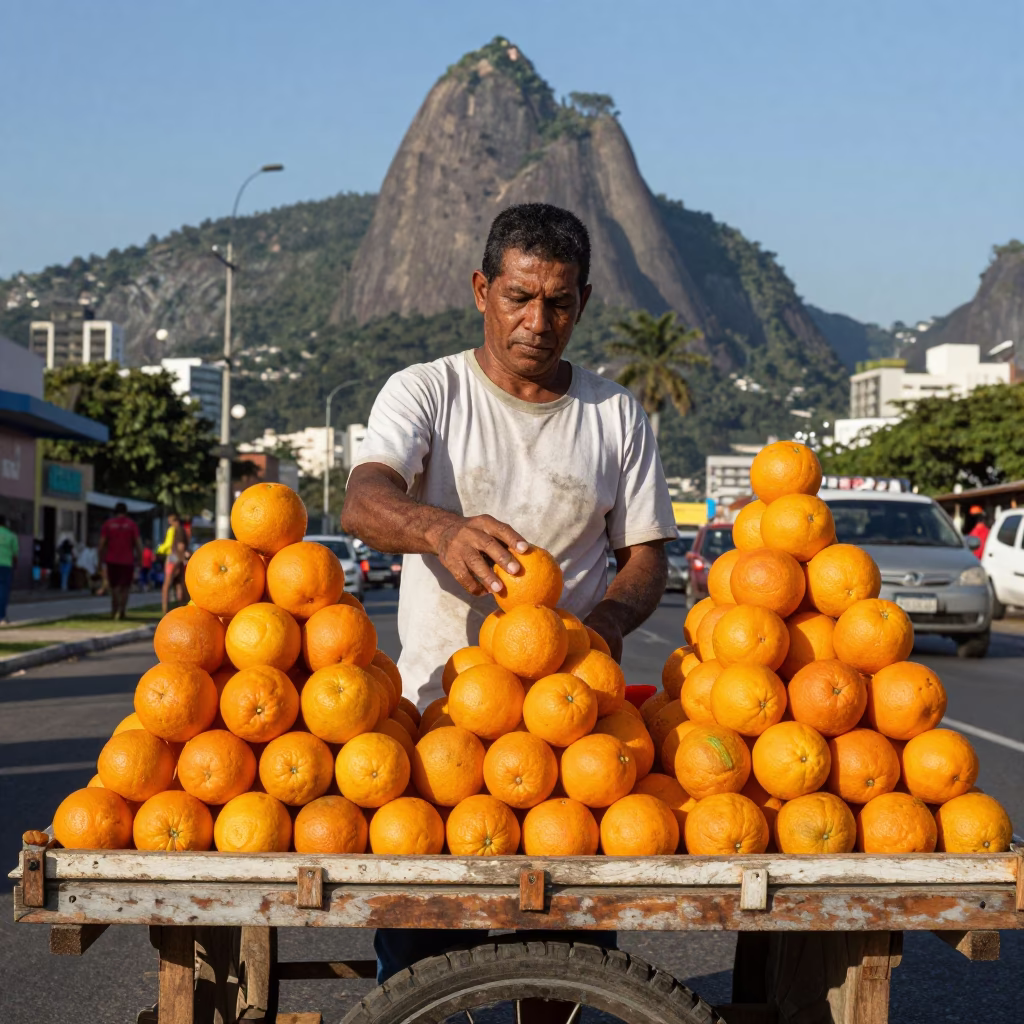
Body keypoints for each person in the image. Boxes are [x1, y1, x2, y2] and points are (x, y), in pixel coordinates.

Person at [342, 203, 676, 1011]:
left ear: (583, 303)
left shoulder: (615, 415)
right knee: (423, 960)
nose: (537, 321)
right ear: (481, 290)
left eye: (558, 303)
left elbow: (647, 556)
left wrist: (604, 624)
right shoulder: (428, 390)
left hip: (577, 731)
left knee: (569, 953)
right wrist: (438, 527)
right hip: (440, 727)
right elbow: (364, 500)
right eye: (520, 297)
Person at [98, 502, 142, 619]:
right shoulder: (132, 525)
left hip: (111, 560)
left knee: (114, 587)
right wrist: (141, 559)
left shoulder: (108, 524)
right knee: (125, 587)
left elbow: (102, 544)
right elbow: (138, 544)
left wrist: (99, 560)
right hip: (127, 560)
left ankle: (114, 609)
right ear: (126, 512)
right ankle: (122, 610)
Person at [160, 513, 189, 614]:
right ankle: (180, 610)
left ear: (174, 520)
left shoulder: (178, 529)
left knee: (166, 586)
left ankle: (165, 610)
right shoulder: (182, 530)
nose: (170, 523)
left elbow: (181, 546)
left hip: (174, 559)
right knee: (179, 585)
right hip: (178, 559)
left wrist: (180, 560)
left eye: (170, 521)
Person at [0, 514, 18, 624]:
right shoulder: (11, 536)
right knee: (3, 591)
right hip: (6, 566)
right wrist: (14, 565)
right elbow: (15, 554)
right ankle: (1, 616)